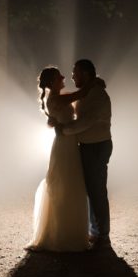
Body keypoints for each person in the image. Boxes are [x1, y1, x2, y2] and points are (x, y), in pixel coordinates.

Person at [26, 66, 100, 252]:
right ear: (52, 82)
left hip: (67, 142)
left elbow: (76, 99)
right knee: (66, 184)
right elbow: (81, 93)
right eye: (60, 76)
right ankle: (63, 235)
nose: (64, 76)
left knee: (70, 183)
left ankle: (70, 231)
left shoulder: (58, 97)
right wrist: (96, 81)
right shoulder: (57, 98)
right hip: (64, 145)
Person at [57, 59, 112, 250]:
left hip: (97, 146)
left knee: (97, 190)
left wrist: (63, 130)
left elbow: (87, 121)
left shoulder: (97, 94)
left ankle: (103, 236)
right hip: (88, 145)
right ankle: (95, 232)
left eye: (76, 72)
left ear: (86, 74)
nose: (72, 76)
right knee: (91, 190)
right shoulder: (88, 91)